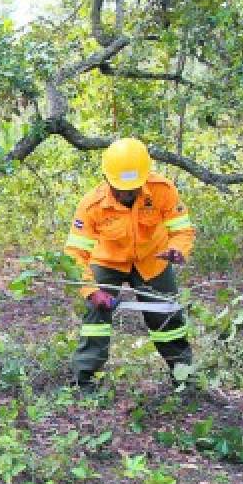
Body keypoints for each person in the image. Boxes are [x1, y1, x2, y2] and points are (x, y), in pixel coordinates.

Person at [64, 137, 195, 392]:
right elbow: (75, 253)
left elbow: (182, 230)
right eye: (120, 187)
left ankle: (184, 378)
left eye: (133, 187)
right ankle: (85, 382)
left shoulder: (162, 190)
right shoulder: (92, 204)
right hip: (108, 261)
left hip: (153, 260)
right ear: (107, 177)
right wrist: (92, 290)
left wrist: (177, 250)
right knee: (96, 316)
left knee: (167, 315)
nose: (126, 193)